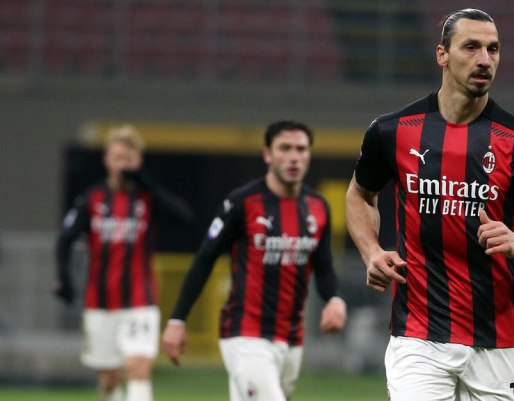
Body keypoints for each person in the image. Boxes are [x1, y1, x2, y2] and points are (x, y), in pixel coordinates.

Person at [345, 8, 514, 401]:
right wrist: (371, 251)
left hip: (497, 339)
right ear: (442, 55)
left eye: (493, 49)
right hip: (418, 334)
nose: (484, 59)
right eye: (471, 47)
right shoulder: (393, 131)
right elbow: (360, 195)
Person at [162, 120, 347, 401]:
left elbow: (323, 268)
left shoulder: (318, 207)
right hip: (245, 333)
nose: (294, 157)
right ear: (267, 155)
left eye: (301, 149)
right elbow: (205, 259)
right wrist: (178, 319)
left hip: (291, 337)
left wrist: (335, 299)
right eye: (285, 148)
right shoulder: (242, 202)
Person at [55, 124, 193, 401]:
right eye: (118, 158)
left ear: (138, 161)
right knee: (109, 379)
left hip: (140, 300)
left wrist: (148, 184)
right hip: (100, 301)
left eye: (128, 159)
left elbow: (185, 217)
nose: (122, 165)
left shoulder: (148, 198)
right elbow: (64, 240)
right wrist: (64, 278)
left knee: (138, 367)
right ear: (107, 159)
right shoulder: (92, 198)